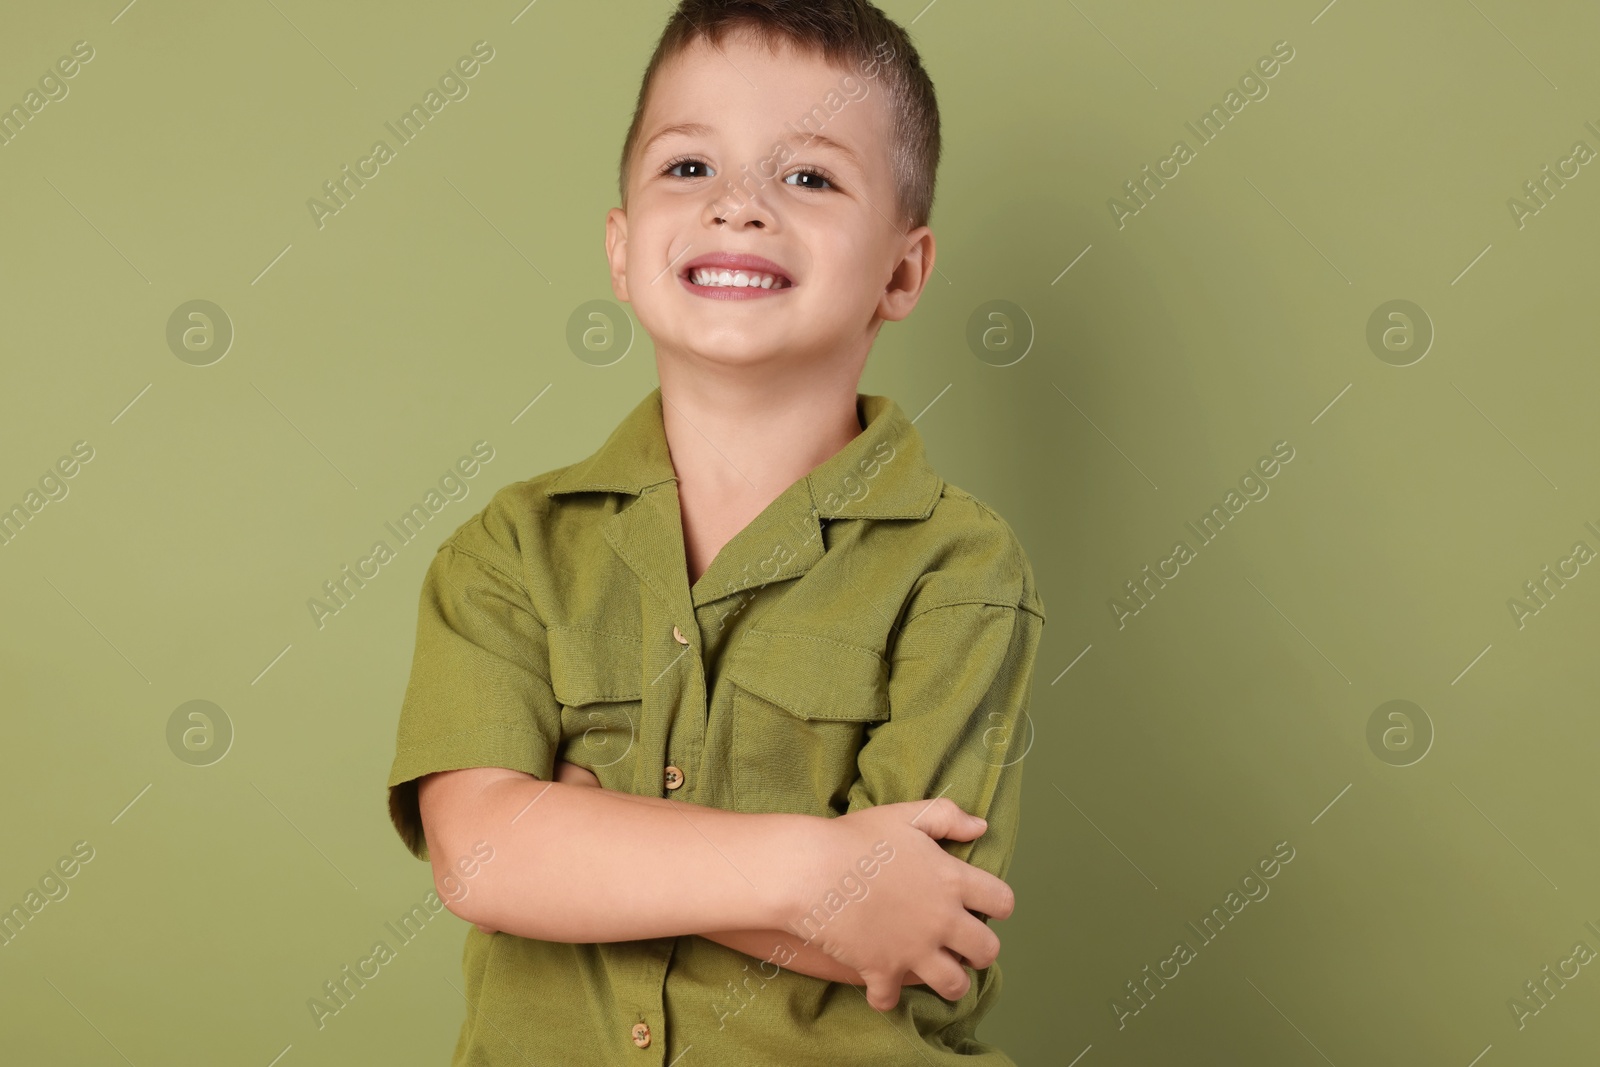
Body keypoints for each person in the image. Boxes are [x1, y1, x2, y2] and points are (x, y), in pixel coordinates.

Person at [384, 1, 1046, 1062]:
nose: (738, 207)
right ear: (619, 244)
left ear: (902, 271)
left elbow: (910, 921)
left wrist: (589, 828)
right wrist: (813, 867)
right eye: (689, 168)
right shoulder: (507, 552)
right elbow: (482, 857)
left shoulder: (958, 568)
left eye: (810, 176)